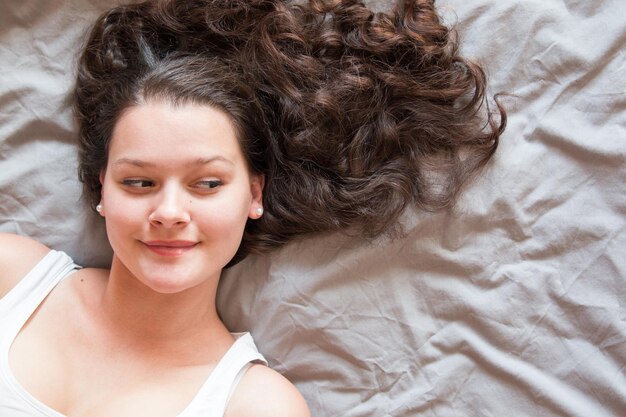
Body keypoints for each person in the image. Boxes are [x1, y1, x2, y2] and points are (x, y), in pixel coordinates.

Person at [0, 0, 506, 416]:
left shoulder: (255, 405)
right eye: (138, 181)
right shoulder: (13, 279)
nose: (170, 211)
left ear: (254, 195)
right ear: (100, 192)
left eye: (207, 183)